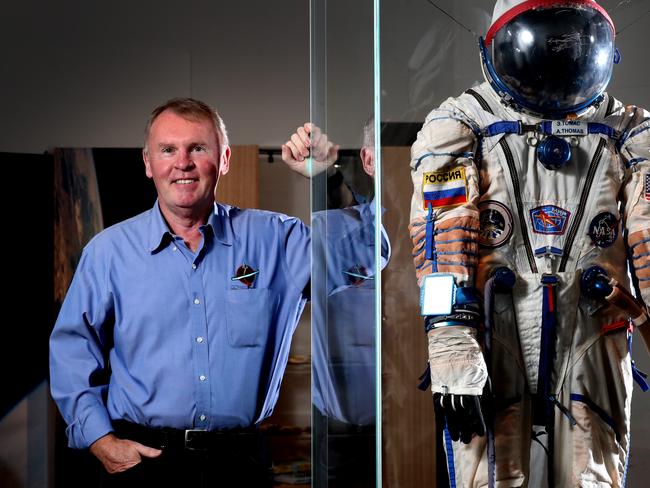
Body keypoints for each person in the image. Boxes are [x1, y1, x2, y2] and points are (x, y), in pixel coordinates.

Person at [409, 1, 650, 486]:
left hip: (592, 335)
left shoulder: (629, 134)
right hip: (491, 335)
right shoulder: (461, 126)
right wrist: (451, 337)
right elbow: (440, 245)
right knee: (493, 474)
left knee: (592, 476)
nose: (554, 61)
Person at [49, 97, 311, 487]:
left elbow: (363, 262)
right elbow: (72, 351)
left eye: (198, 148)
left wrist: (323, 180)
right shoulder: (108, 253)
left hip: (239, 465)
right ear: (147, 162)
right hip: (144, 463)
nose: (182, 163)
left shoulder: (278, 240)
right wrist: (101, 441)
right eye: (168, 150)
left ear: (223, 159)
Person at [283, 120, 389, 487]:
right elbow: (351, 219)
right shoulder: (344, 230)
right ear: (369, 160)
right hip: (349, 434)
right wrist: (325, 175)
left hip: (433, 424)